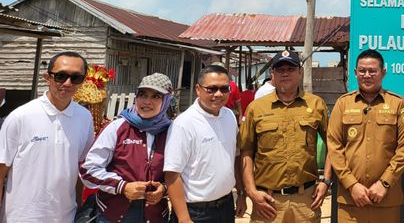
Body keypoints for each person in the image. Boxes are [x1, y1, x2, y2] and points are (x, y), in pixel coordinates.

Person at [0, 51, 94, 223]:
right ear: (47, 77)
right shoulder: (21, 117)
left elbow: (81, 170)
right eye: (60, 76)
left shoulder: (84, 117)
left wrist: (79, 208)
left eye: (76, 78)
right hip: (21, 217)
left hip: (66, 216)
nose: (67, 83)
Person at [240, 50, 332, 222]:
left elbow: (332, 145)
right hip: (268, 201)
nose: (285, 73)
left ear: (300, 72)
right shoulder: (256, 108)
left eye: (290, 69)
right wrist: (251, 192)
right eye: (280, 69)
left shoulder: (316, 104)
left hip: (306, 201)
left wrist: (326, 181)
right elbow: (246, 151)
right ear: (272, 74)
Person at [328, 49, 404, 223]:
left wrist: (384, 183)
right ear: (355, 73)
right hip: (350, 199)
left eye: (372, 71)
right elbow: (334, 146)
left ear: (383, 72)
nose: (367, 75)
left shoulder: (398, 103)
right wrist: (351, 184)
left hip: (386, 198)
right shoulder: (343, 103)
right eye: (362, 71)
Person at [80, 73, 174, 222]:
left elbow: (183, 173)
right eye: (143, 95)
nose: (147, 101)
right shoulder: (118, 127)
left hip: (155, 216)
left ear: (167, 101)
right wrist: (122, 187)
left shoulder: (173, 132)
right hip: (114, 214)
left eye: (156, 96)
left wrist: (164, 189)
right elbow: (88, 169)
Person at [164, 64, 247, 222]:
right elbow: (172, 175)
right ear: (198, 89)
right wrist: (184, 218)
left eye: (224, 89)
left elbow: (235, 157)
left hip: (226, 206)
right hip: (196, 212)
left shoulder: (229, 116)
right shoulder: (184, 124)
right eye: (211, 89)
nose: (218, 94)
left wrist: (241, 193)